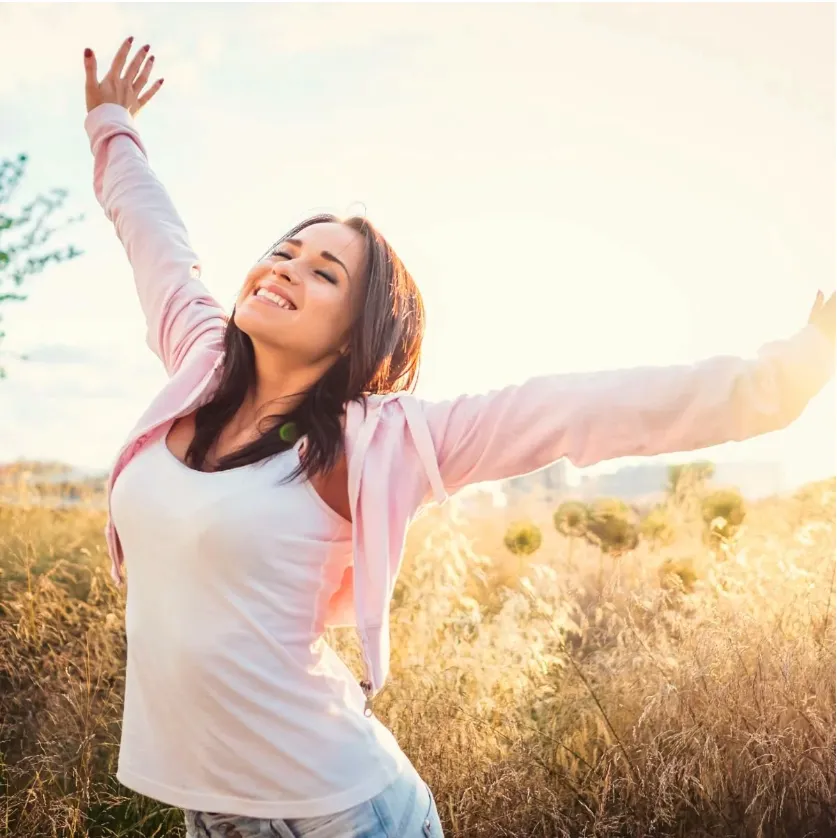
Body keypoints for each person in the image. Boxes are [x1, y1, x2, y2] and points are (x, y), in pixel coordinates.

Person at [82, 36, 835, 838]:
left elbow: (578, 408)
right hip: (213, 811)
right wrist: (111, 125)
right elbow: (153, 237)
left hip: (342, 814)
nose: (285, 269)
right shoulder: (196, 361)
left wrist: (780, 382)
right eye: (284, 251)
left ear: (355, 339)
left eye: (324, 272)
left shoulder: (379, 444)